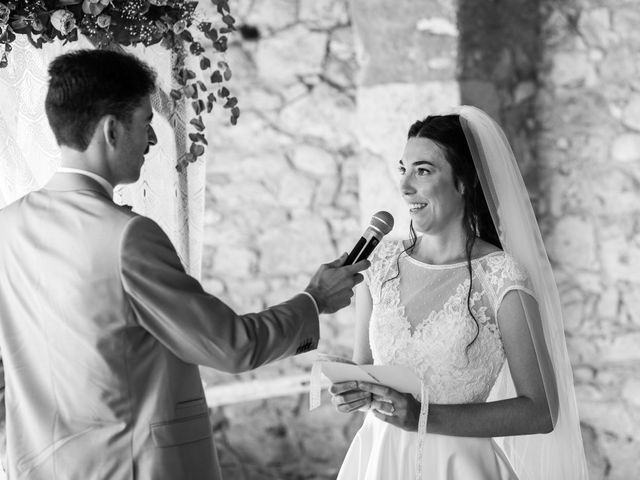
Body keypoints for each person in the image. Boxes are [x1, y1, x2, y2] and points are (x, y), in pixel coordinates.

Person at [0, 49, 368, 480]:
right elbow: (230, 346)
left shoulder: (7, 226)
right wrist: (315, 300)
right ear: (112, 130)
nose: (152, 141)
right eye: (146, 124)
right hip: (133, 467)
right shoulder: (127, 236)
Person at [329, 107, 588, 479]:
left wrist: (421, 416)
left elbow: (541, 411)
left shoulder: (501, 277)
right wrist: (351, 391)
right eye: (403, 169)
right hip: (380, 460)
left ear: (464, 182)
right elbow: (365, 370)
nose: (404, 186)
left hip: (459, 467)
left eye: (423, 170)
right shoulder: (381, 262)